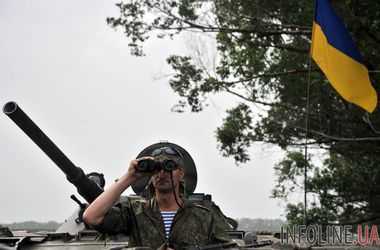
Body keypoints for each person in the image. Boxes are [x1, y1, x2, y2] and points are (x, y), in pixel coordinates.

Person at [83, 145, 232, 250]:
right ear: (151, 175)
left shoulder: (204, 214)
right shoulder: (136, 212)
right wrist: (130, 177)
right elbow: (91, 217)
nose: (162, 174)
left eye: (169, 167)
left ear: (181, 174)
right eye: (157, 169)